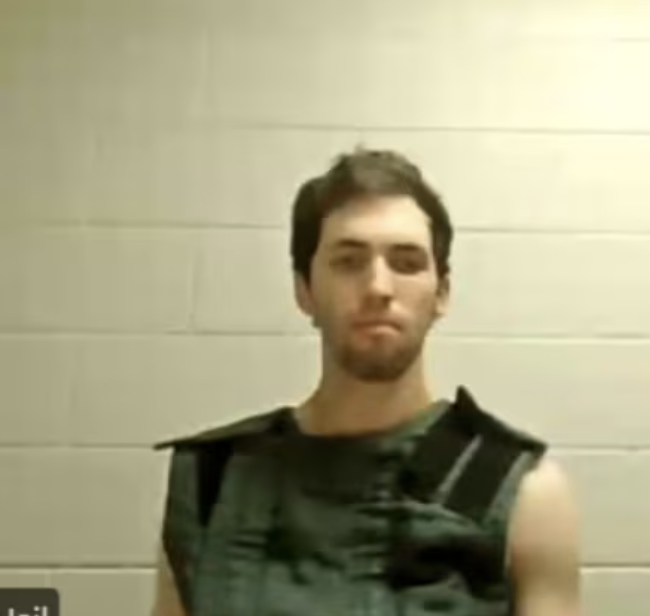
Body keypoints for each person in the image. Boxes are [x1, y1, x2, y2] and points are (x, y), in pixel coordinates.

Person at [150, 148, 582, 616]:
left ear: (441, 293)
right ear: (304, 290)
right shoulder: (213, 482)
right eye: (349, 261)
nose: (378, 287)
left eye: (407, 262)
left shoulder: (520, 492)